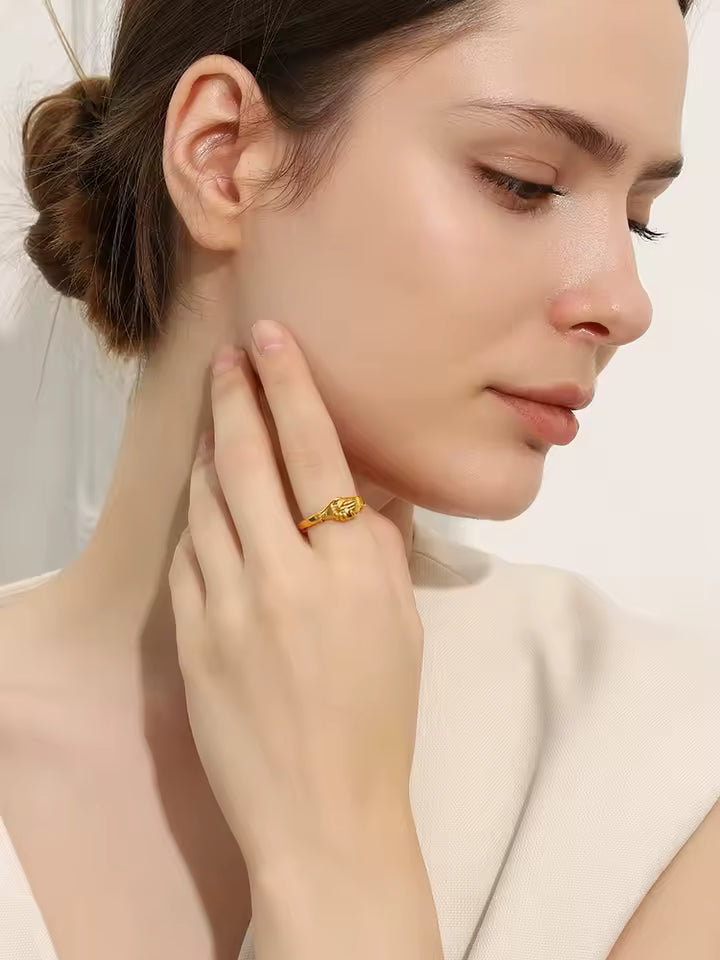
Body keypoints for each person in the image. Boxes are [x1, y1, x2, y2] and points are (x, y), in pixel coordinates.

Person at [1, 0, 718, 957]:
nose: (623, 302)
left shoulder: (664, 774)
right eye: (524, 182)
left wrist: (340, 860)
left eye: (640, 222)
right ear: (223, 155)